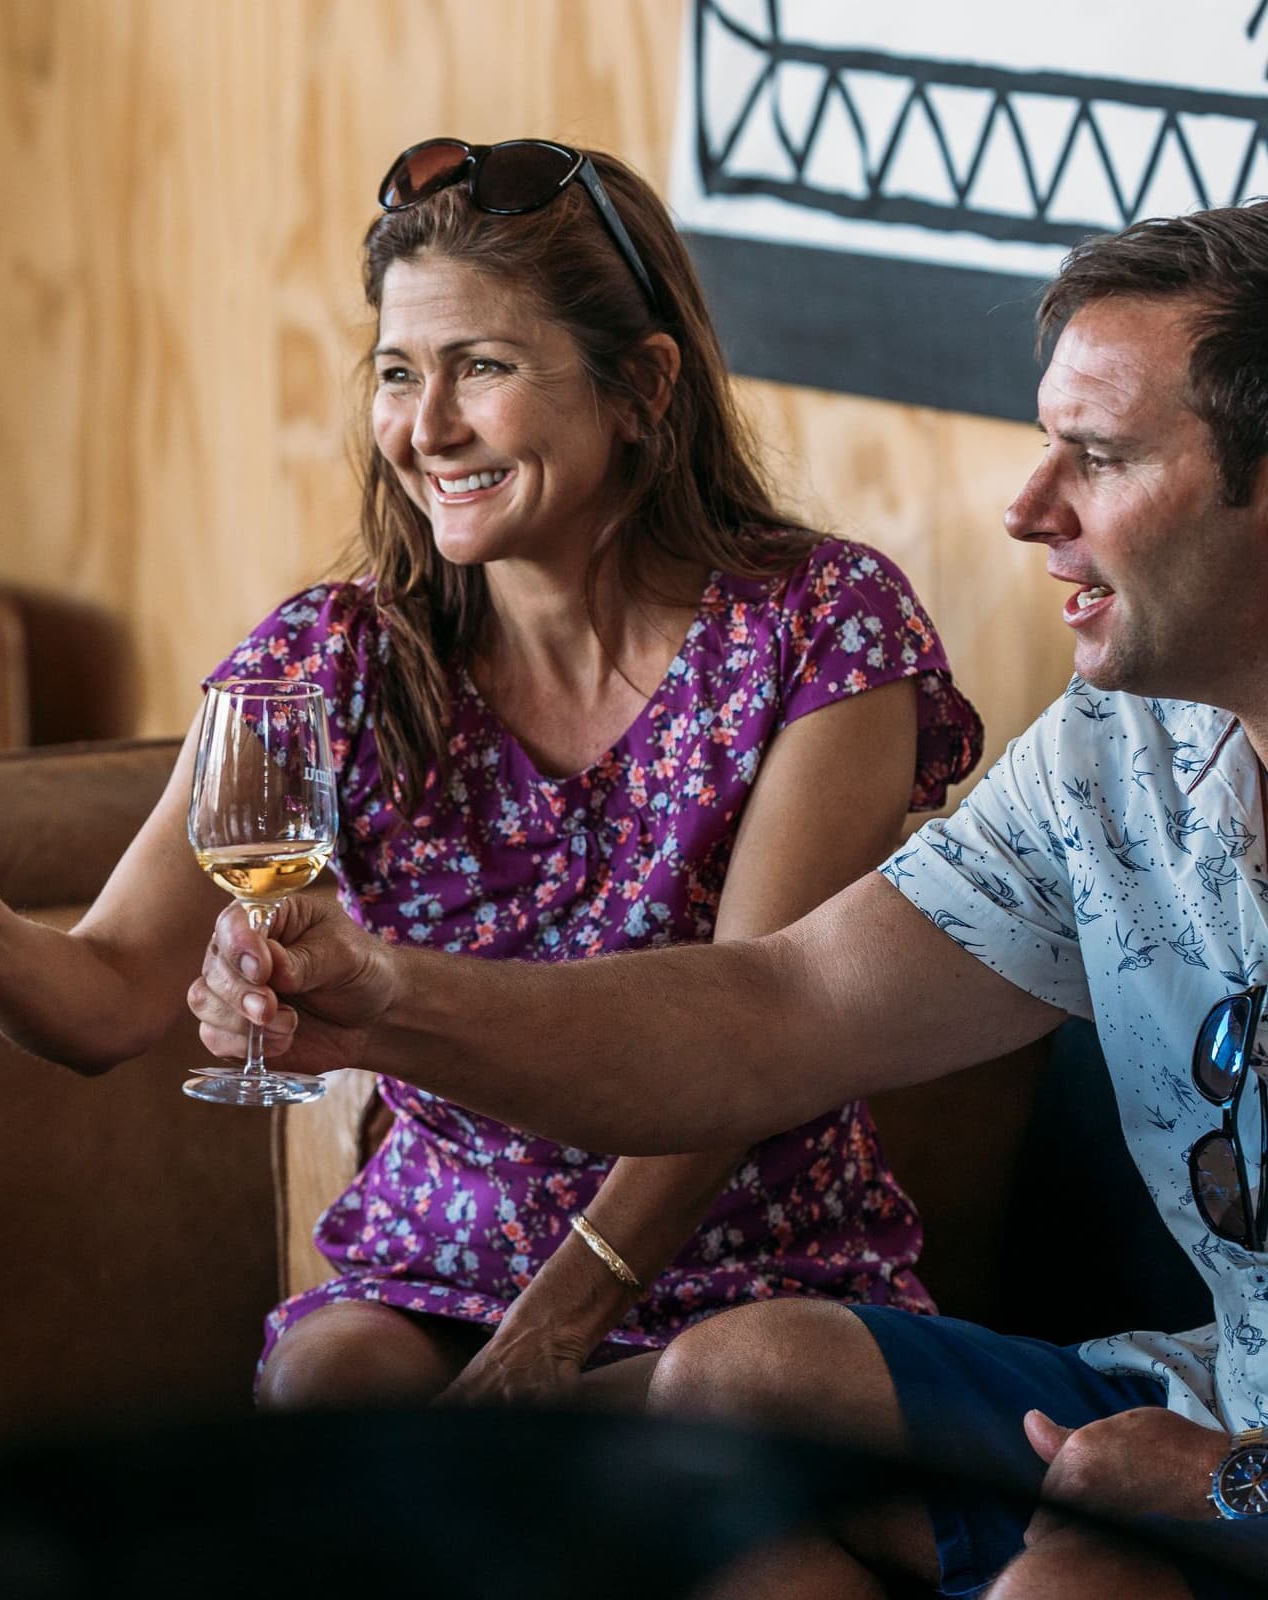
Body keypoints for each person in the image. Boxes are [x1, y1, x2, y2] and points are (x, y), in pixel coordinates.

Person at [183, 201, 1268, 1600]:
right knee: (741, 1374)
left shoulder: (826, 622)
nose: (1026, 506)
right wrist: (394, 998)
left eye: (1102, 456)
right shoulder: (1120, 754)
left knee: (1076, 1582)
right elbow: (782, 1001)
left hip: (1235, 1461)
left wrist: (1233, 1485)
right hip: (1206, 1395)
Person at [0, 138, 980, 1409]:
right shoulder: (326, 659)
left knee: (676, 1447)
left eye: (482, 368)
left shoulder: (821, 626)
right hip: (435, 1269)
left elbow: (757, 1039)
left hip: (756, 1281)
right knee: (329, 1394)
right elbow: (110, 993)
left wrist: (548, 1342)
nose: (425, 427)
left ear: (642, 386)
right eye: (397, 373)